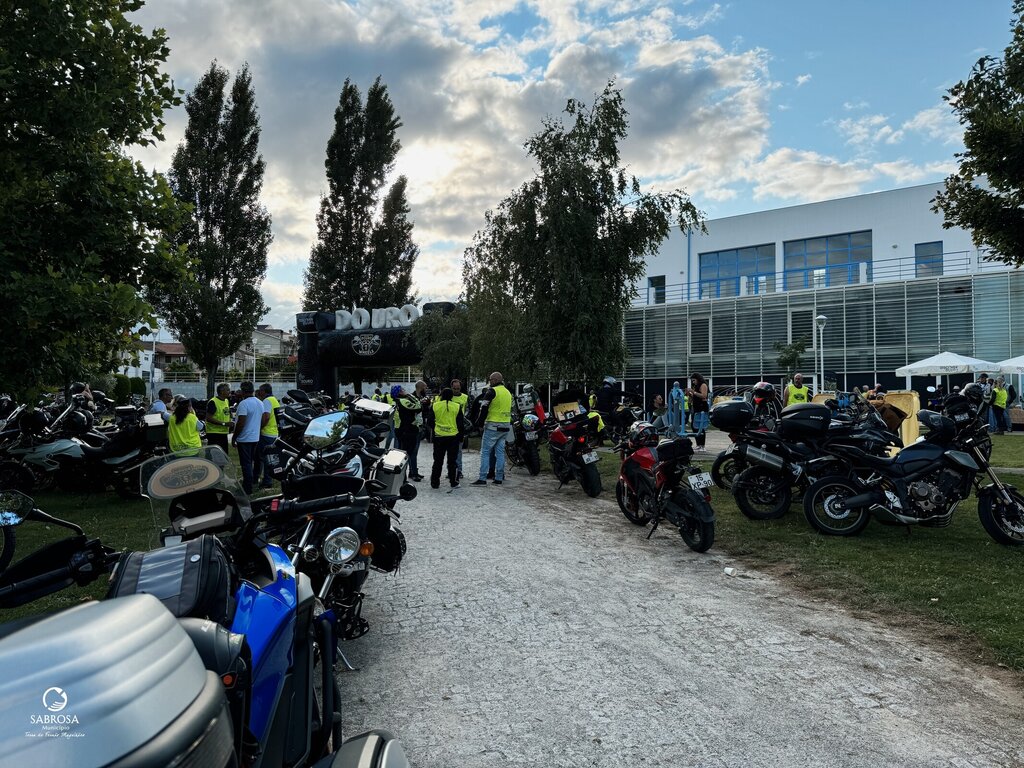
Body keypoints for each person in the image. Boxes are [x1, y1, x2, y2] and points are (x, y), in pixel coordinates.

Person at [472, 371, 512, 486]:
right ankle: (498, 478)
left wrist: (479, 424)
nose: (489, 382)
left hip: (493, 426)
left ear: (495, 380)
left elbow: (484, 408)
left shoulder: (491, 391)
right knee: (500, 453)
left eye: (490, 380)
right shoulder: (507, 392)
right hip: (505, 425)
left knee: (485, 452)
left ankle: (482, 478)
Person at [427, 387, 465, 490]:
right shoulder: (457, 406)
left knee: (438, 460)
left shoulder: (435, 405)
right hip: (453, 436)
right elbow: (460, 424)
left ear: (441, 395)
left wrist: (436, 428)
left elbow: (429, 421)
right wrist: (461, 437)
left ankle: (435, 483)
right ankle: (454, 482)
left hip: (439, 436)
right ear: (452, 396)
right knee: (452, 461)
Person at [231, 381, 264, 495]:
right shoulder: (260, 402)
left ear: (243, 391)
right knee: (250, 462)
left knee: (246, 464)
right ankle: (252, 482)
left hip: (245, 438)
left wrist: (234, 437)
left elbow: (241, 423)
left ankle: (247, 488)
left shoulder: (244, 404)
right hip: (255, 437)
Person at [392, 384, 425, 481]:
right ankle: (403, 478)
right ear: (399, 392)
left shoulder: (397, 401)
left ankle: (405, 476)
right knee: (407, 454)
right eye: (402, 389)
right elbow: (418, 407)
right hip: (408, 431)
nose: (404, 390)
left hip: (401, 430)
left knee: (404, 453)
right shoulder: (403, 401)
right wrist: (409, 395)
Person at [255, 383, 281, 489]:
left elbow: (266, 417)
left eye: (260, 390)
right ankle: (268, 479)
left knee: (263, 458)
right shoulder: (275, 400)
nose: (259, 392)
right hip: (274, 433)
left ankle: (266, 481)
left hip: (266, 433)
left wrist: (258, 428)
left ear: (264, 391)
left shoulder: (266, 401)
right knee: (270, 458)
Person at [205, 383, 233, 454]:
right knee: (214, 456)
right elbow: (208, 418)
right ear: (222, 391)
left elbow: (225, 412)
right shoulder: (213, 402)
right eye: (228, 390)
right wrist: (224, 424)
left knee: (223, 455)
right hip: (214, 433)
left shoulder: (226, 400)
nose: (229, 391)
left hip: (223, 432)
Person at [451, 379, 470, 480]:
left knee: (458, 451)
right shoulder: (448, 397)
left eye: (458, 388)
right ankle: (451, 470)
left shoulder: (465, 397)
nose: (456, 390)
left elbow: (468, 410)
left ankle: (459, 471)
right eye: (454, 388)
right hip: (450, 426)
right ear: (451, 388)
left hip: (460, 426)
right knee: (450, 451)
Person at [686, 373, 710, 452]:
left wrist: (693, 392)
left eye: (694, 380)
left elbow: (704, 395)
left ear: (698, 379)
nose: (693, 382)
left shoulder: (703, 385)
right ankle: (698, 444)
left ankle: (702, 445)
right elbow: (696, 395)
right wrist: (690, 394)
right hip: (696, 407)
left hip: (702, 407)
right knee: (694, 426)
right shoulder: (696, 386)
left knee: (700, 426)